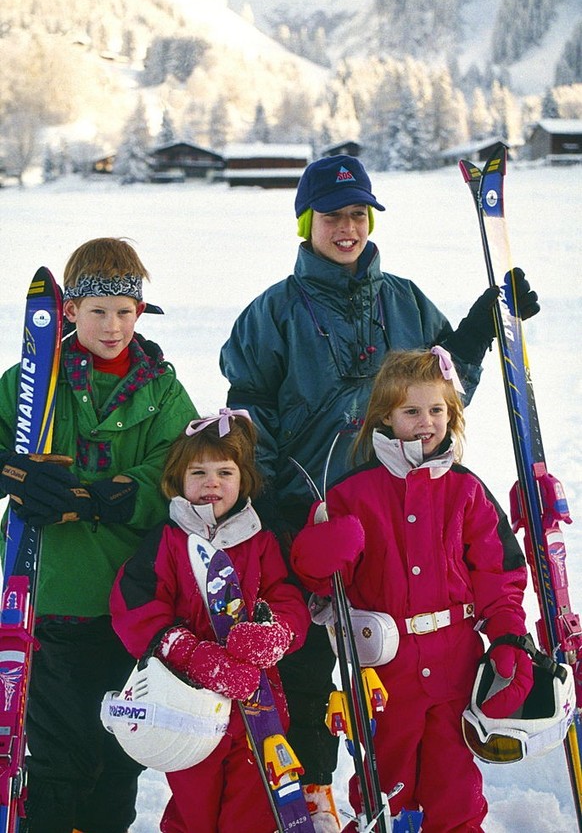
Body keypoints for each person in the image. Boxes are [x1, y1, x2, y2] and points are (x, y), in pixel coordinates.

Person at [218, 154, 539, 830]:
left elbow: (440, 398)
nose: (347, 227)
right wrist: (275, 507)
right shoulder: (271, 314)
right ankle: (314, 807)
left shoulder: (404, 299)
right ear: (306, 221)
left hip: (402, 517)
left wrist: (479, 329)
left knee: (398, 685)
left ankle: (421, 803)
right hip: (307, 523)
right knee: (307, 687)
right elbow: (250, 418)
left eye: (358, 214)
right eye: (333, 215)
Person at [290, 346, 533, 833]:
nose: (426, 422)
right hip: (384, 673)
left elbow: (498, 573)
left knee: (455, 786)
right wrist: (317, 555)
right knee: (386, 785)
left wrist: (508, 634)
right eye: (412, 411)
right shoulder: (352, 493)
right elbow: (319, 586)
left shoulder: (466, 489)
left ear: (452, 415)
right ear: (385, 416)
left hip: (455, 665)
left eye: (437, 410)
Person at [0, 238, 198, 833]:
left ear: (141, 313)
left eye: (124, 311)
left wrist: (123, 492)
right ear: (69, 312)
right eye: (97, 311)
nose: (112, 326)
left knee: (118, 760)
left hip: (130, 603)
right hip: (51, 597)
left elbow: (181, 465)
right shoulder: (32, 379)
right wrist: (17, 474)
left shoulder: (161, 388)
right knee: (59, 760)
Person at [109, 408, 311, 833]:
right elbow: (135, 605)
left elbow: (288, 598)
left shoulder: (260, 540)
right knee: (194, 809)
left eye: (225, 472)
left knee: (252, 810)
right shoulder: (167, 541)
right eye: (198, 473)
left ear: (244, 480)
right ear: (179, 480)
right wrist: (186, 650)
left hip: (257, 709)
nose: (212, 483)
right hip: (188, 708)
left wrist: (276, 633)